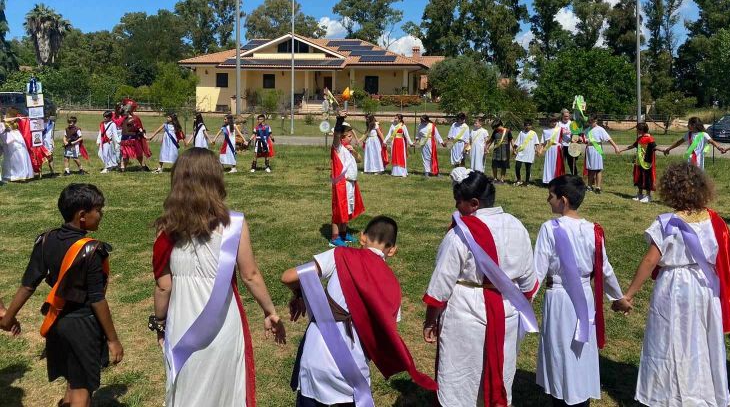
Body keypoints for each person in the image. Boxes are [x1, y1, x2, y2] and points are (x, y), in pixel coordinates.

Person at [151, 148, 286, 407]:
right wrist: (270, 311)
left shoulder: (167, 229)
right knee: (225, 390)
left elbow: (164, 287)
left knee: (186, 389)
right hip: (223, 323)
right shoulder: (233, 224)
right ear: (216, 180)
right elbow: (250, 275)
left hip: (182, 325)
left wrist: (159, 324)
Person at [617, 163, 730, 407]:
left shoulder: (668, 223)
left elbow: (650, 260)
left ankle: (669, 393)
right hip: (705, 286)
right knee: (702, 338)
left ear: (670, 191)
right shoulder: (714, 221)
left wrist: (630, 294)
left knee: (670, 336)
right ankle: (702, 392)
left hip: (674, 286)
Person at [281, 215, 436, 406]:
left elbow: (288, 276)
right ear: (393, 250)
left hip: (315, 359)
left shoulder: (339, 255)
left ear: (362, 237)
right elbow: (386, 333)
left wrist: (299, 295)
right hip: (352, 369)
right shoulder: (393, 286)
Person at [0, 184, 124, 407]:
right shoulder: (92, 251)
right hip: (83, 326)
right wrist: (113, 340)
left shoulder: (45, 240)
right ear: (82, 215)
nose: (101, 214)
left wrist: (8, 317)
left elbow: (28, 285)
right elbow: (97, 299)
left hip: (56, 323)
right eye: (99, 210)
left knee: (72, 378)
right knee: (82, 389)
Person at [423, 168, 537, 407]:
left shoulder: (461, 235)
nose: (457, 208)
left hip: (466, 310)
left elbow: (442, 280)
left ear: (474, 203)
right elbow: (528, 280)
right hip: (507, 310)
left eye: (459, 203)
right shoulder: (517, 226)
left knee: (462, 370)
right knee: (500, 366)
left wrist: (430, 319)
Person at [532, 175, 626, 407]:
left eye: (551, 196)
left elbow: (537, 270)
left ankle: (564, 396)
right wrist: (618, 297)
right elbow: (605, 269)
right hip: (583, 296)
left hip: (560, 298)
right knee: (577, 348)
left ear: (563, 200)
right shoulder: (592, 229)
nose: (548, 200)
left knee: (560, 347)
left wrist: (523, 301)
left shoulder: (549, 228)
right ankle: (578, 395)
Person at [330, 113, 366, 248]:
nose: (352, 138)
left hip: (350, 183)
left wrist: (354, 152)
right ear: (342, 136)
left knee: (347, 209)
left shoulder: (348, 149)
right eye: (349, 136)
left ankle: (344, 234)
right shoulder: (338, 148)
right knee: (338, 210)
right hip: (341, 183)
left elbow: (359, 160)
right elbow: (336, 135)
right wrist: (339, 120)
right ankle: (335, 237)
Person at [620, 122, 657, 203]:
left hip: (647, 163)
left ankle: (648, 196)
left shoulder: (650, 139)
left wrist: (664, 150)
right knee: (639, 178)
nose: (637, 131)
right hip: (639, 162)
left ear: (642, 130)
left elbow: (655, 147)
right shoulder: (639, 139)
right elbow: (633, 146)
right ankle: (640, 194)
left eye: (638, 129)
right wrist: (622, 149)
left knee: (647, 179)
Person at [581, 115, 620, 194]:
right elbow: (583, 139)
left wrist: (615, 147)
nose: (591, 123)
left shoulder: (600, 129)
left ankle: (598, 187)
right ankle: (589, 186)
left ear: (596, 121)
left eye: (592, 122)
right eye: (590, 122)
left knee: (598, 169)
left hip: (597, 149)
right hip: (589, 149)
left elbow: (608, 138)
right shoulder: (587, 130)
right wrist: (579, 139)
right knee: (591, 169)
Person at [0, 111, 35, 182]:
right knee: (11, 158)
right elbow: (5, 121)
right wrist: (17, 117)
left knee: (20, 155)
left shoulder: (6, 122)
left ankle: (23, 174)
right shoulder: (3, 122)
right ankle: (13, 174)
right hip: (8, 142)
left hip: (12, 139)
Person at [119, 103, 149, 172]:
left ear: (128, 111)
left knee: (138, 154)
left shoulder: (135, 118)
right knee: (125, 154)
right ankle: (123, 168)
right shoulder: (123, 119)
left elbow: (139, 127)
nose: (123, 113)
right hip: (124, 139)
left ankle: (143, 166)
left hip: (133, 139)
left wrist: (144, 135)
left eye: (124, 112)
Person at [512, 119, 540, 187]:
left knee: (528, 168)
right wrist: (514, 149)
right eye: (526, 125)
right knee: (517, 167)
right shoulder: (521, 132)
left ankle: (527, 182)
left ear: (531, 126)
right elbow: (517, 142)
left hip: (529, 153)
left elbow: (536, 143)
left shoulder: (533, 133)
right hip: (521, 153)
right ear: (524, 126)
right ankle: (519, 180)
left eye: (529, 125)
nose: (527, 127)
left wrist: (537, 150)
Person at [486, 119, 512, 183]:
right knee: (494, 165)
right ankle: (495, 178)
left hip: (505, 151)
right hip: (496, 151)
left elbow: (511, 140)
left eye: (496, 127)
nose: (496, 129)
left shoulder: (508, 131)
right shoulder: (495, 131)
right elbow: (491, 140)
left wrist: (514, 149)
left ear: (500, 125)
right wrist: (487, 147)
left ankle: (502, 179)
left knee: (504, 166)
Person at [542, 116, 566, 185]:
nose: (553, 123)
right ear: (549, 122)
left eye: (555, 121)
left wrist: (574, 139)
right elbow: (543, 142)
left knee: (556, 165)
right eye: (552, 121)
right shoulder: (545, 131)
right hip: (549, 149)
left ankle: (556, 180)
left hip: (556, 149)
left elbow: (567, 137)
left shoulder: (560, 129)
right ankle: (547, 180)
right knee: (548, 164)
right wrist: (539, 150)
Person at [558, 109, 578, 176]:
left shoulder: (572, 123)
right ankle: (560, 176)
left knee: (571, 162)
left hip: (570, 146)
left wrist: (574, 140)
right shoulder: (558, 124)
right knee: (561, 162)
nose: (566, 117)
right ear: (562, 116)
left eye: (568, 116)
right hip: (561, 146)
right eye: (565, 116)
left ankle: (575, 176)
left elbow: (576, 134)